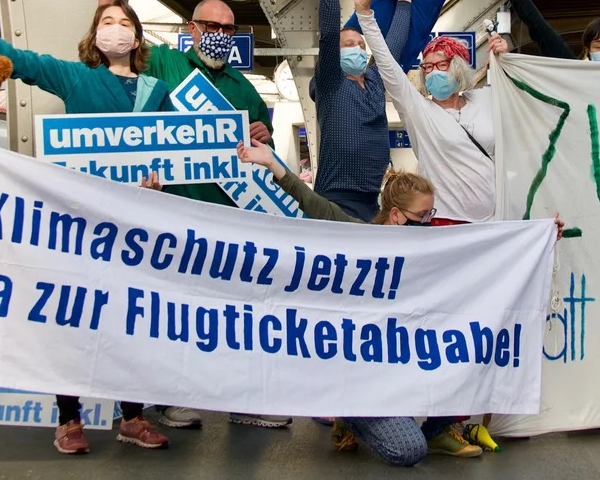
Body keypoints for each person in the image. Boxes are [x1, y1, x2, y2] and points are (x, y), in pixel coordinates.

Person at [238, 139, 566, 464]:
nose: (429, 221)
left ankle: (438, 429)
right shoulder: (362, 240)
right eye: (423, 215)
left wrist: (539, 238)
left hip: (405, 370)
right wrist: (272, 163)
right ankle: (348, 413)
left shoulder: (429, 246)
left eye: (431, 213)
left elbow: (486, 252)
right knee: (408, 450)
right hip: (364, 379)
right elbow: (313, 202)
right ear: (396, 215)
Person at [0, 0, 172, 453]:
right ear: (94, 36)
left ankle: (131, 417)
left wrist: (160, 182)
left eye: (124, 23)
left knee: (127, 320)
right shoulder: (76, 77)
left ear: (138, 36)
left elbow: (174, 149)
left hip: (132, 223)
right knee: (71, 318)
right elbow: (23, 62)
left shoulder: (159, 90)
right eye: (106, 23)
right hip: (79, 219)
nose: (116, 30)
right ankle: (68, 419)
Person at [97, 0, 289, 431]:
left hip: (228, 221)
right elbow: (108, 51)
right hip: (172, 213)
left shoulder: (245, 89)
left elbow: (254, 149)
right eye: (210, 24)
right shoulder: (163, 61)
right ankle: (171, 397)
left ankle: (242, 401)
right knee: (172, 313)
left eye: (228, 25)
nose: (220, 32)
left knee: (233, 317)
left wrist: (261, 135)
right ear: (193, 28)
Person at [350, 0, 507, 224]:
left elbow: (523, 97)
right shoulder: (419, 111)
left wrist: (506, 59)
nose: (433, 72)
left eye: (441, 65)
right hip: (444, 222)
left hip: (495, 222)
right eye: (428, 67)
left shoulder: (486, 100)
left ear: (458, 67)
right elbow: (387, 64)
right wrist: (365, 14)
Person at [310, 0, 413, 220]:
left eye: (360, 44)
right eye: (348, 44)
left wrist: (404, 2)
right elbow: (329, 32)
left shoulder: (375, 81)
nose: (356, 47)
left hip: (374, 197)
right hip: (335, 197)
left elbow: (392, 46)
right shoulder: (331, 82)